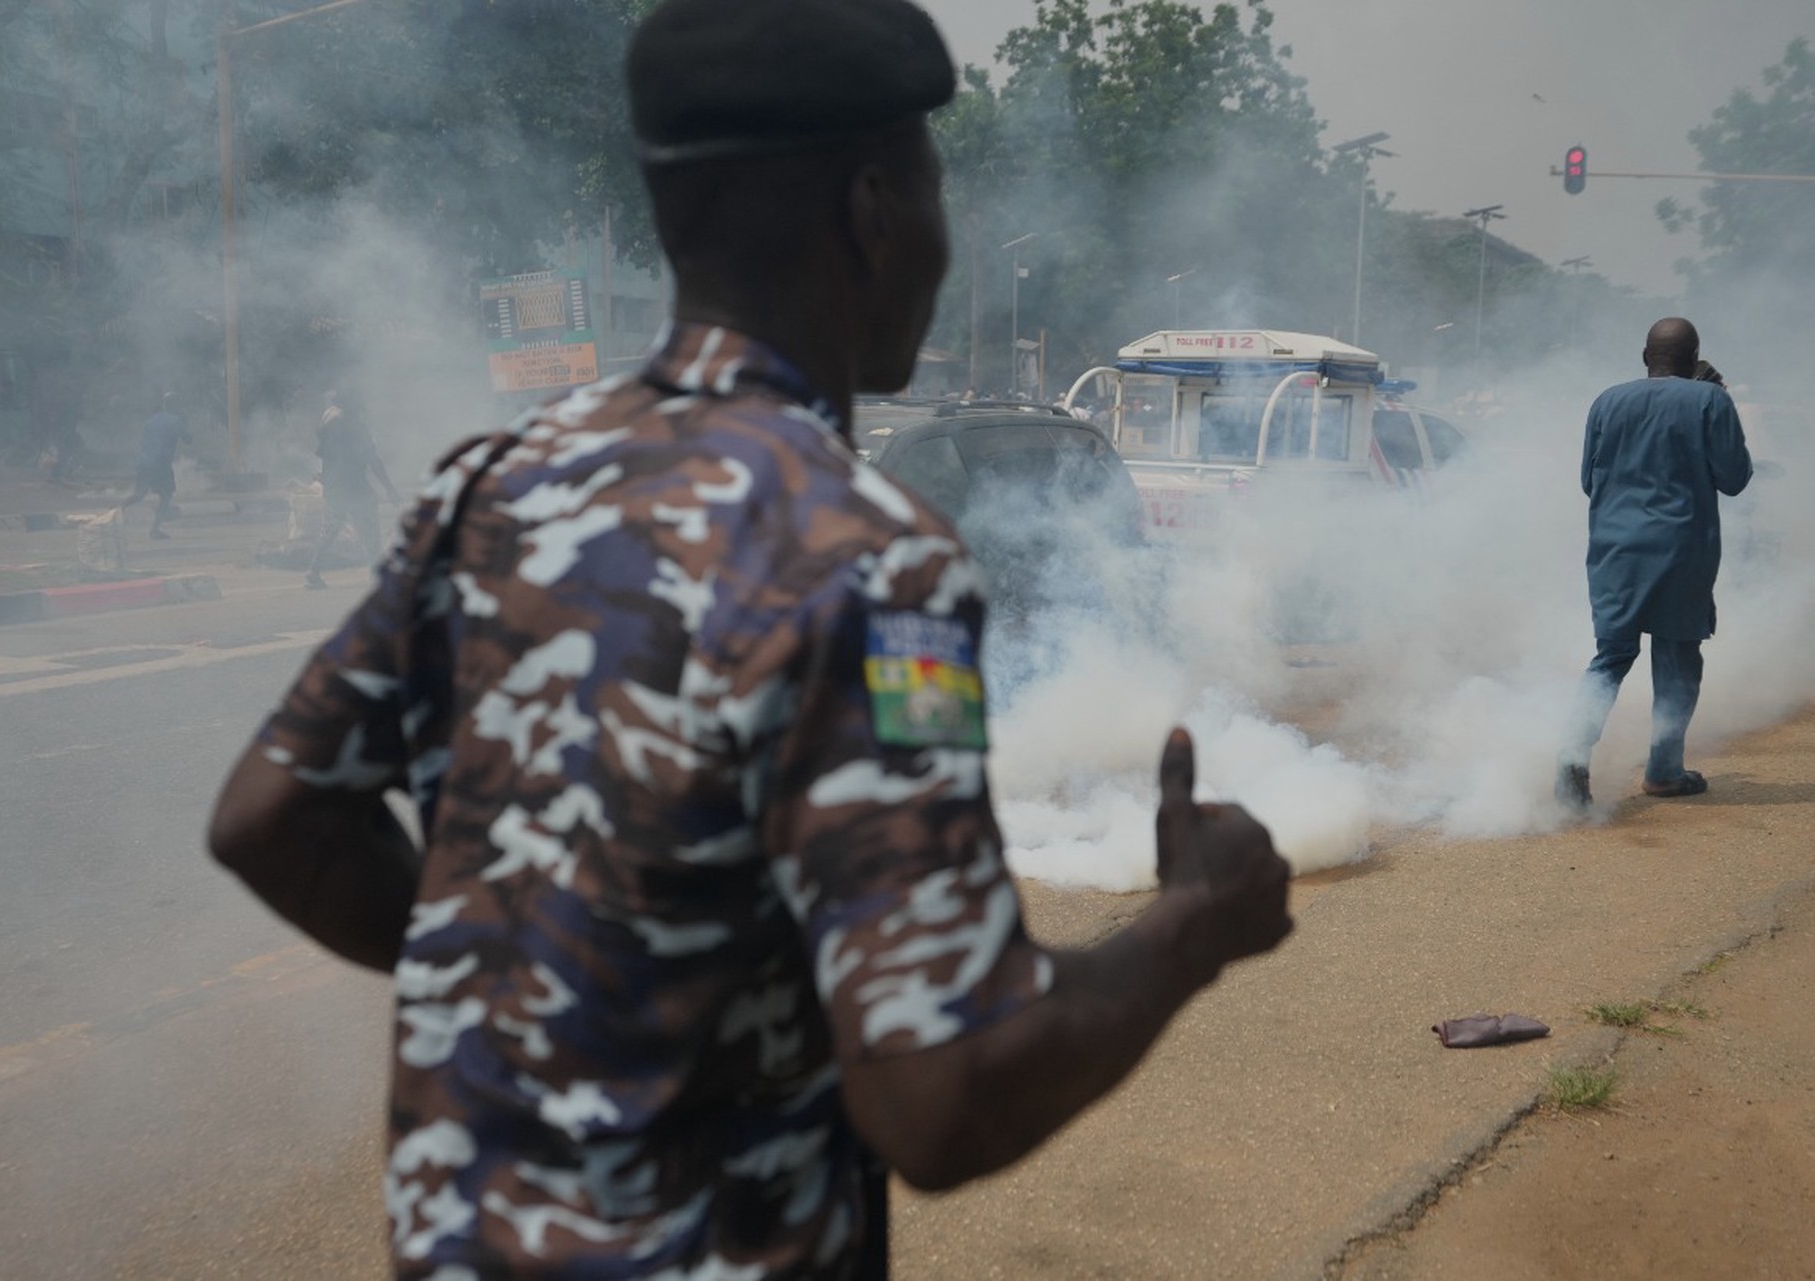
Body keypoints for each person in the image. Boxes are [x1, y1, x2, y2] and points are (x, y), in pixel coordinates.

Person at [207, 1, 1292, 1276]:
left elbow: (270, 817)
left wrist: (555, 1010)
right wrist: (1190, 929)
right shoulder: (867, 559)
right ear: (874, 211)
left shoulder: (494, 484)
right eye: (935, 193)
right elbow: (942, 1098)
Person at [1555, 317, 1752, 808]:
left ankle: (1572, 758)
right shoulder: (1710, 400)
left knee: (1611, 658)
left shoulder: (1606, 401)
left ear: (1646, 358)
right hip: (1682, 551)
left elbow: (1588, 481)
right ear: (1695, 360)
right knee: (1678, 659)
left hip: (1615, 553)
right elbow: (1735, 478)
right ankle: (1664, 772)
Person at [304, 389, 400, 589]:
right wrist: (389, 488)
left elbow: (322, 455)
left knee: (329, 529)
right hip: (356, 487)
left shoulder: (328, 423)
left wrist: (325, 478)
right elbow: (374, 461)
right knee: (370, 530)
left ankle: (313, 572)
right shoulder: (357, 427)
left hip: (334, 486)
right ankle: (376, 574)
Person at [121, 393, 188, 539]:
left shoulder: (151, 420)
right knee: (166, 495)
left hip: (144, 462)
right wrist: (185, 421)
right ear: (176, 406)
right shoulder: (176, 420)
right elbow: (189, 439)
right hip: (160, 464)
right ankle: (155, 530)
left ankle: (115, 514)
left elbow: (145, 442)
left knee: (138, 494)